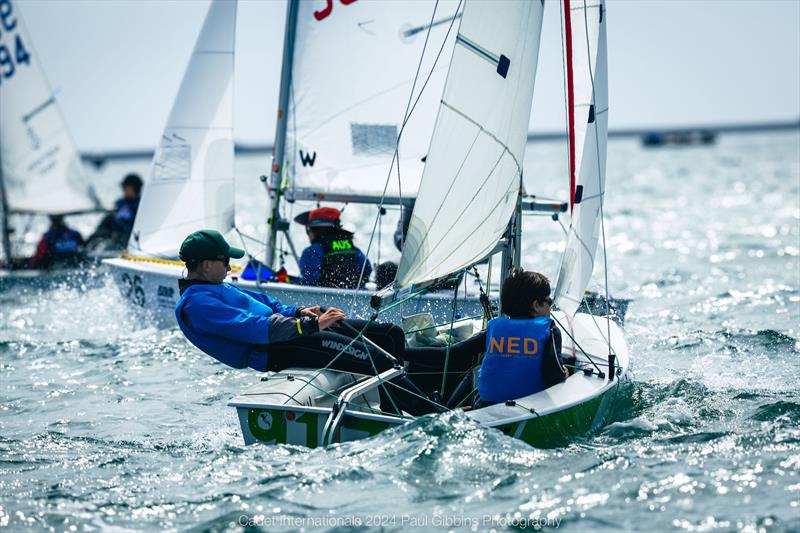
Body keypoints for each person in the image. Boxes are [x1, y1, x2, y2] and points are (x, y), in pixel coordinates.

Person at [174, 229, 439, 415]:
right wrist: (310, 325)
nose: (230, 267)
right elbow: (253, 327)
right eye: (225, 261)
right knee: (374, 359)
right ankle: (431, 414)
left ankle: (414, 401)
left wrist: (301, 311)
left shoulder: (216, 286)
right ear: (207, 265)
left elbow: (270, 306)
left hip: (293, 333)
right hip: (278, 349)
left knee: (389, 334)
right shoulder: (196, 304)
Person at [474, 270, 570, 407]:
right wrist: (565, 372)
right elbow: (555, 376)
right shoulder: (549, 330)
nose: (550, 306)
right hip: (530, 407)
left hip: (486, 406)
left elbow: (458, 350)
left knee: (475, 370)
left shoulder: (495, 327)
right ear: (536, 305)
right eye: (548, 300)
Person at [293, 207, 371, 289]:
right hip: (352, 295)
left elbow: (309, 280)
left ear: (314, 230)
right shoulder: (352, 248)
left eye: (308, 230)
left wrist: (293, 282)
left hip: (323, 298)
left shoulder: (312, 251)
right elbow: (367, 269)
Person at [87, 173, 143, 249]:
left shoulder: (141, 206)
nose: (123, 190)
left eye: (126, 187)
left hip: (129, 241)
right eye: (123, 187)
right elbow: (107, 222)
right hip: (113, 238)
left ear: (134, 188)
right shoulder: (120, 204)